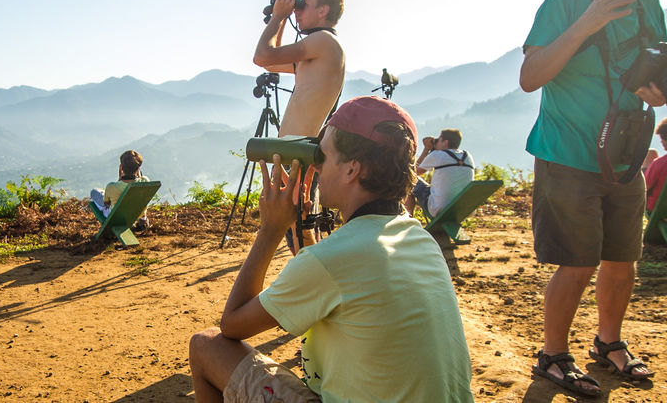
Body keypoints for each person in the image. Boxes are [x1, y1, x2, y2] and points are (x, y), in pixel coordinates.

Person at [188, 96, 473, 402]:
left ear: (352, 169)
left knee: (207, 345)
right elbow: (333, 280)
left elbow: (232, 325)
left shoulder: (333, 261)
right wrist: (302, 227)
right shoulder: (419, 239)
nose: (317, 167)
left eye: (322, 155)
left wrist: (270, 229)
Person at [517, 0, 667, 396]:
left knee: (622, 258)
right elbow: (531, 76)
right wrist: (590, 20)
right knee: (577, 262)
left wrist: (657, 89)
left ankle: (609, 343)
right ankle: (553, 356)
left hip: (624, 154)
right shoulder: (565, 1)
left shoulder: (650, 7)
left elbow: (652, 69)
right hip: (568, 153)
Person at [253, 0, 346, 254]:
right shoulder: (317, 48)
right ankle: (315, 285)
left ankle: (317, 287)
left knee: (300, 232)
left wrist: (279, 16)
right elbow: (270, 62)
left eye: (304, 5)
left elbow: (261, 55)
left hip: (301, 152)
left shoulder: (322, 41)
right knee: (298, 230)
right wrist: (278, 20)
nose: (298, 11)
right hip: (298, 151)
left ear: (323, 10)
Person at [409, 129, 476, 218]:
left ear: (445, 142)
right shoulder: (468, 156)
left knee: (409, 180)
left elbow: (414, 172)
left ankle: (409, 219)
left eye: (439, 140)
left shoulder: (438, 155)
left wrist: (426, 149)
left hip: (439, 208)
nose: (436, 142)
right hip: (465, 210)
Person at [90, 150, 150, 230]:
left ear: (121, 167)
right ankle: (143, 219)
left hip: (116, 217)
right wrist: (139, 175)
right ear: (138, 168)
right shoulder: (145, 181)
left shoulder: (112, 187)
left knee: (94, 192)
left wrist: (119, 179)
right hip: (137, 214)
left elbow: (106, 203)